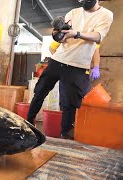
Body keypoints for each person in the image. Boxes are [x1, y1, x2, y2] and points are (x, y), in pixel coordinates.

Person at [27, 0, 113, 139]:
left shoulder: (106, 14)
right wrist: (58, 34)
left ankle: (65, 136)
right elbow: (61, 36)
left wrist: (76, 33)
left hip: (78, 66)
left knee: (69, 104)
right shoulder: (73, 12)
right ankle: (28, 125)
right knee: (39, 92)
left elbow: (97, 36)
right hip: (58, 60)